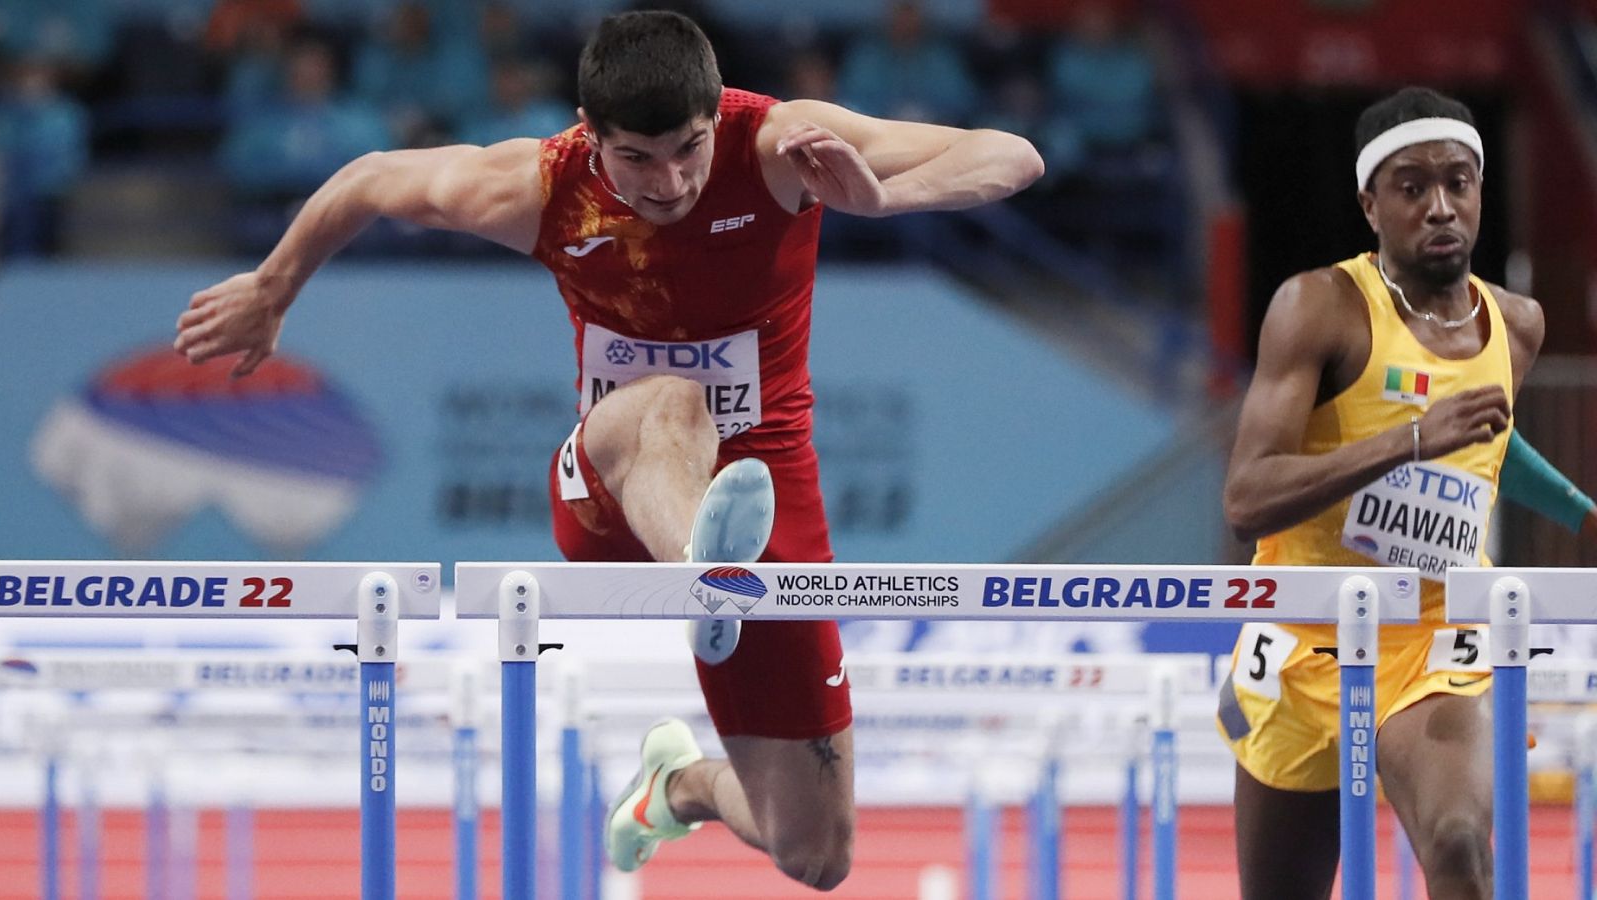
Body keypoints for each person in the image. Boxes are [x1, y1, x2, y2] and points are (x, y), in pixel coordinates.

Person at [173, 10, 1043, 891]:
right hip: (611, 484)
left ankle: (680, 784)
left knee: (815, 852)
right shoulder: (538, 187)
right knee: (672, 403)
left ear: (715, 118)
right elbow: (368, 179)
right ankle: (704, 574)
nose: (669, 182)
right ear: (592, 138)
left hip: (763, 498)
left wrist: (882, 199)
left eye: (689, 150)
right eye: (637, 158)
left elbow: (1012, 155)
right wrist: (273, 288)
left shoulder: (782, 145)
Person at [1217, 85, 1597, 899]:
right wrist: (1412, 437)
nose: (1440, 207)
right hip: (1301, 634)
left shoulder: (1517, 325)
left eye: (1459, 182)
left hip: (1433, 638)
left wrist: (1579, 509)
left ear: (1482, 191)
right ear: (1370, 203)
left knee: (1460, 844)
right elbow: (1247, 495)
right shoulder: (1320, 307)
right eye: (1412, 186)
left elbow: (1492, 443)